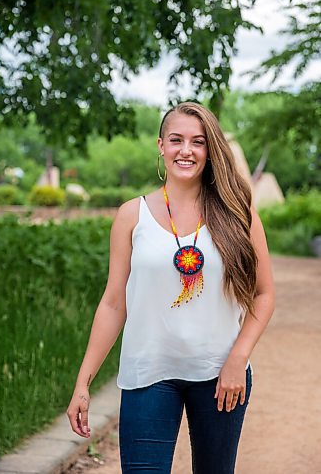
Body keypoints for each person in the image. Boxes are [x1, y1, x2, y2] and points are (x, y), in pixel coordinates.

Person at [66, 101, 275, 473]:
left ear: (210, 150)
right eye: (176, 140)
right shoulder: (132, 215)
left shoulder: (238, 212)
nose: (186, 150)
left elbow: (264, 293)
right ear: (161, 146)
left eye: (198, 142)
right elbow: (114, 303)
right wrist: (83, 382)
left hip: (219, 375)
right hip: (148, 374)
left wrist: (237, 359)